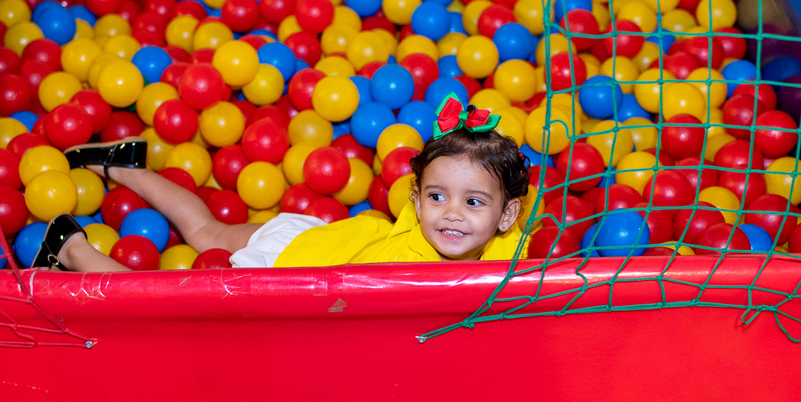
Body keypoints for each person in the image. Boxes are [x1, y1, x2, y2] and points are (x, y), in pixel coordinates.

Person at [31, 95, 531, 271]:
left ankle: (124, 165)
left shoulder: (510, 252)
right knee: (185, 326)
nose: (450, 213)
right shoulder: (403, 267)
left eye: (473, 202)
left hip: (318, 235)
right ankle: (74, 249)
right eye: (437, 197)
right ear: (415, 200)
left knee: (204, 232)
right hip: (286, 268)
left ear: (507, 216)